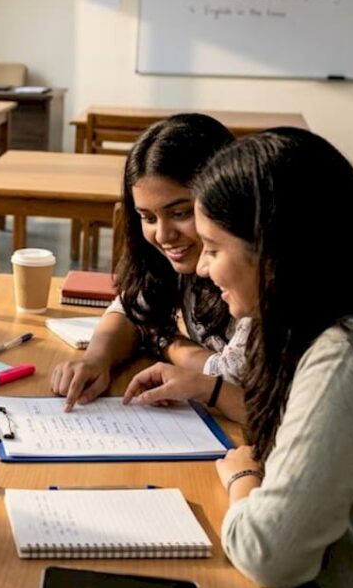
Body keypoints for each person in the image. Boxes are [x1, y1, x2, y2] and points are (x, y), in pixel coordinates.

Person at [186, 128, 353, 588]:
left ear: (273, 252)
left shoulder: (350, 356)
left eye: (213, 249)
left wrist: (243, 479)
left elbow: (269, 555)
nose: (201, 267)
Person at [49, 114, 246, 421]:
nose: (164, 235)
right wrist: (96, 359)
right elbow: (130, 308)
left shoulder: (250, 274)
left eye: (180, 213)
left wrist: (163, 340)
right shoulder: (172, 261)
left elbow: (234, 377)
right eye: (148, 218)